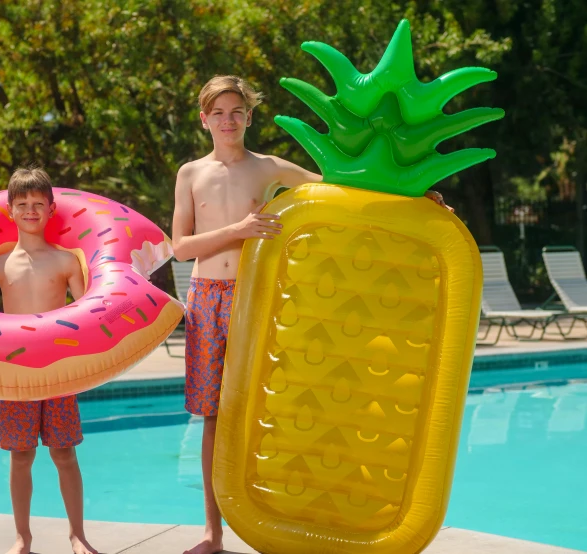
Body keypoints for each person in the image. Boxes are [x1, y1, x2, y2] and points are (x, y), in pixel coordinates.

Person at [171, 75, 450, 554]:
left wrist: (412, 199)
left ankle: (287, 518)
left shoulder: (268, 167)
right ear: (204, 120)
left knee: (270, 407)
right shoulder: (190, 173)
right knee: (212, 418)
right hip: (207, 299)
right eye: (218, 113)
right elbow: (179, 248)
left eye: (236, 111)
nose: (228, 120)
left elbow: (340, 189)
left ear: (249, 116)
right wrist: (238, 228)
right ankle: (212, 534)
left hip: (256, 298)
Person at [0, 167, 96, 554]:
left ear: (51, 209)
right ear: (10, 210)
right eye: (22, 204)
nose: (30, 210)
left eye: (38, 204)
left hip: (58, 369)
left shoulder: (64, 262)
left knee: (64, 452)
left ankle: (77, 534)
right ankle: (22, 537)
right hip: (16, 372)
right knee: (21, 454)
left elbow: (88, 310)